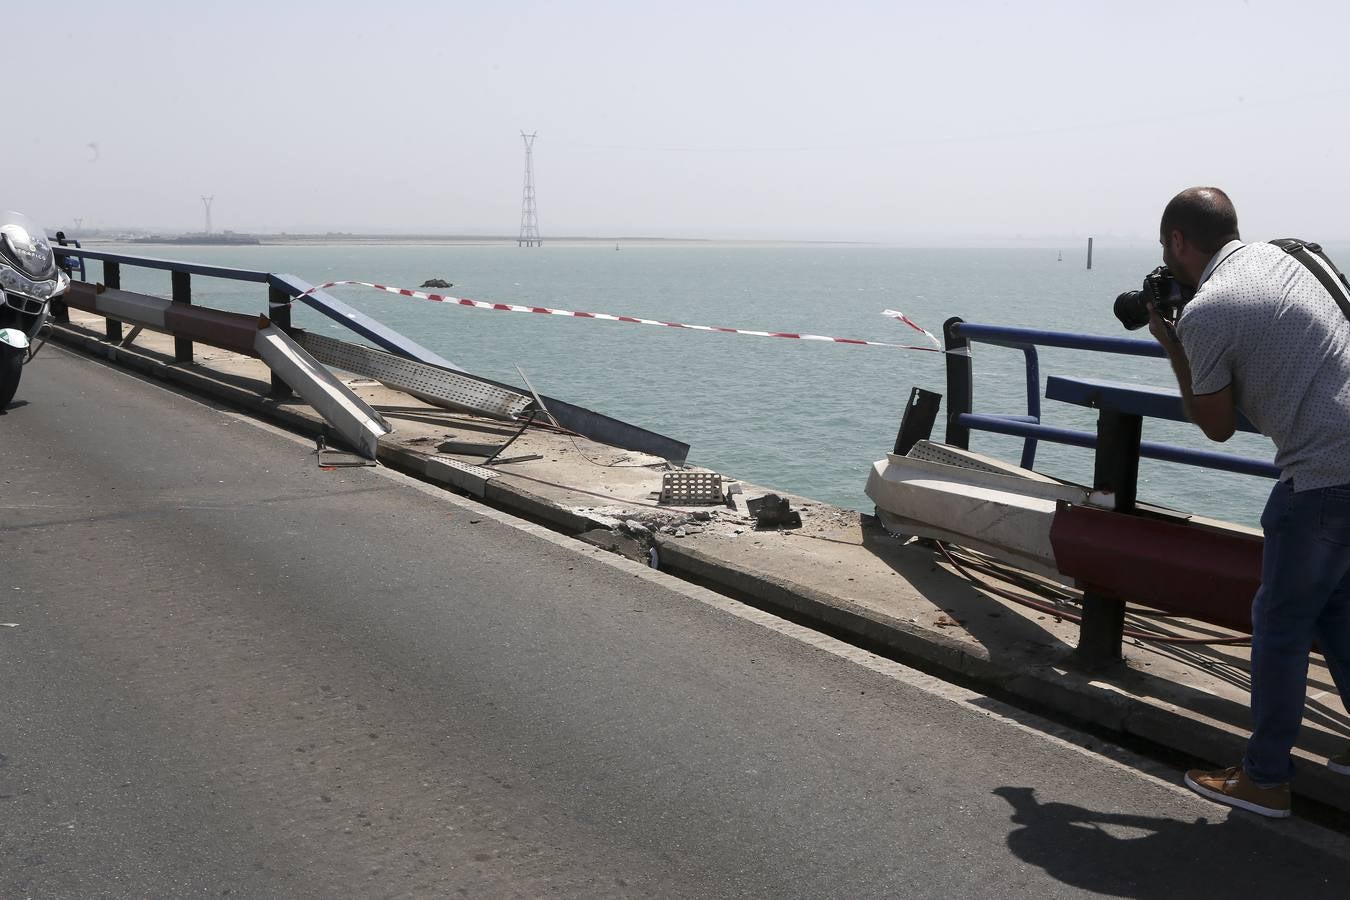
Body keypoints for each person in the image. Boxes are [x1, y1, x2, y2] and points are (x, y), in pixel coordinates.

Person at [1146, 186, 1350, 818]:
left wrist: (1173, 343)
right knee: (1338, 609)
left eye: (1166, 248)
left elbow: (1215, 424)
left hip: (1323, 476)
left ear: (1178, 241)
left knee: (1281, 627)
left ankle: (1264, 779)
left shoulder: (1211, 310)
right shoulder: (1293, 254)